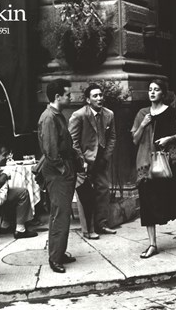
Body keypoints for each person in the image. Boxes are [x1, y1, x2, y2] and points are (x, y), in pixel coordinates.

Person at [131, 79, 176, 258]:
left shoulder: (171, 113)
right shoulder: (142, 113)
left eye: (156, 90)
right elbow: (134, 139)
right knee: (147, 203)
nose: (152, 92)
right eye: (150, 90)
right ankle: (152, 244)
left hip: (165, 162)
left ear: (163, 93)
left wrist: (169, 139)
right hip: (145, 163)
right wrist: (143, 124)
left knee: (168, 197)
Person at [37, 79, 77, 273]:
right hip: (58, 172)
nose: (71, 97)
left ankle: (59, 252)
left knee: (62, 214)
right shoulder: (49, 118)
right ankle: (55, 258)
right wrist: (64, 169)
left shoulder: (56, 115)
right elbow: (51, 151)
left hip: (63, 169)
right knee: (59, 215)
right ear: (57, 97)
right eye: (68, 94)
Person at [69, 83, 117, 240]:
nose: (99, 98)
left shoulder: (109, 114)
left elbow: (112, 138)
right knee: (85, 195)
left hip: (101, 160)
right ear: (88, 100)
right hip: (84, 161)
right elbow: (73, 141)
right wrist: (81, 161)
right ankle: (88, 229)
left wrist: (106, 157)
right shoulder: (79, 115)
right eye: (95, 96)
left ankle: (102, 224)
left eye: (101, 95)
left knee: (103, 190)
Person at [0, 141, 38, 239]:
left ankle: (5, 224)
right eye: (4, 155)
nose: (7, 158)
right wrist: (4, 181)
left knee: (17, 191)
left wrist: (4, 175)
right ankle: (20, 230)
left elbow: (5, 172)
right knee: (23, 193)